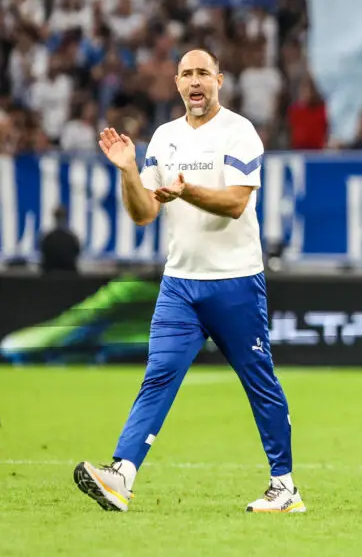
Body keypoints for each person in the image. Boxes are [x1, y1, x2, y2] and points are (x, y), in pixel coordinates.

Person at [74, 49, 304, 514]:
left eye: (203, 73)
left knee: (259, 382)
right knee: (158, 375)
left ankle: (284, 487)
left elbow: (237, 203)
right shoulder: (164, 137)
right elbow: (144, 212)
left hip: (235, 281)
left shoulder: (239, 131)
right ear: (177, 83)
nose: (195, 81)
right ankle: (122, 475)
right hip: (179, 284)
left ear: (219, 80)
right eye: (187, 74)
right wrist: (129, 171)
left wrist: (187, 191)